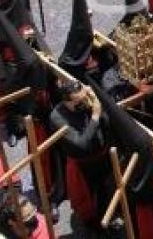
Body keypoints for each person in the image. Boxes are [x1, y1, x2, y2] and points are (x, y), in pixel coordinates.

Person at [49, 79, 111, 227]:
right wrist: (95, 116)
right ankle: (93, 225)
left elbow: (106, 123)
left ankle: (106, 217)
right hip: (85, 164)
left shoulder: (84, 101)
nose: (83, 103)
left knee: (106, 191)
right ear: (67, 101)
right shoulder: (57, 117)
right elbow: (81, 144)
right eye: (79, 101)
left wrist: (94, 99)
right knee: (90, 198)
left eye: (84, 97)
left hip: (102, 155)